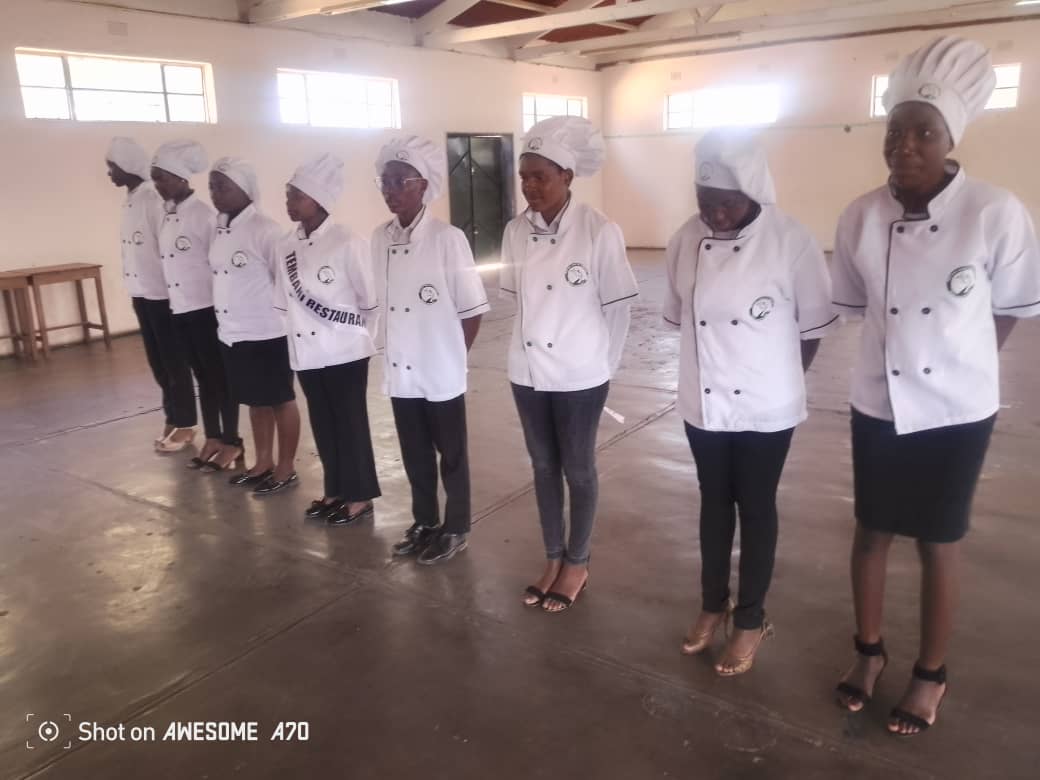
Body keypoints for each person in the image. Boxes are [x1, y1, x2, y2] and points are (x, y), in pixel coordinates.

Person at [831, 36, 1040, 735]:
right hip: (877, 401)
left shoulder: (994, 211)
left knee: (939, 540)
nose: (906, 146)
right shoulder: (861, 216)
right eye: (896, 131)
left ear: (951, 139)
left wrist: (963, 360)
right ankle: (868, 652)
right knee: (872, 532)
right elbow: (854, 304)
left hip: (958, 409)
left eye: (924, 132)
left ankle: (930, 672)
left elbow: (1012, 306)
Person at [664, 131, 838, 675]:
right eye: (704, 200)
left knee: (757, 506)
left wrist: (779, 380)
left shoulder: (791, 240)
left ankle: (751, 618)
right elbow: (677, 315)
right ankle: (712, 604)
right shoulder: (684, 239)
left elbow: (812, 327)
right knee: (713, 503)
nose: (714, 213)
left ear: (753, 193)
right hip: (704, 400)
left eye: (727, 203)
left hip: (767, 405)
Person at [500, 117, 638, 612]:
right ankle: (552, 557)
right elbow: (517, 299)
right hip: (527, 371)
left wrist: (602, 369)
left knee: (578, 470)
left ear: (567, 176)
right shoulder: (515, 231)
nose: (530, 187)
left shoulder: (599, 230)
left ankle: (577, 562)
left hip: (581, 375)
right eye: (524, 177)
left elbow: (618, 310)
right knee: (542, 467)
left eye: (540, 176)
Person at [371, 136, 489, 565]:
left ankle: (455, 527)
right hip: (401, 368)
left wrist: (452, 358)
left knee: (451, 455)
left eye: (400, 181)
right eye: (385, 182)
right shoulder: (379, 238)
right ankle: (424, 521)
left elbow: (472, 310)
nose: (390, 190)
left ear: (423, 185)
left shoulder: (447, 238)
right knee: (415, 454)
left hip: (440, 370)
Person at [275, 153, 381, 520]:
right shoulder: (285, 245)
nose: (288, 202)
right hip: (306, 352)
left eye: (296, 195)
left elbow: (370, 301)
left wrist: (358, 341)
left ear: (318, 199)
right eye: (287, 195)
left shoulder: (347, 240)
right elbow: (284, 303)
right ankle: (334, 490)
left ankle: (360, 496)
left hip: (345, 351)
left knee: (350, 423)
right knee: (322, 422)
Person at [208, 157, 302, 493]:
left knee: (280, 399)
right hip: (233, 333)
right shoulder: (220, 229)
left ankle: (286, 466)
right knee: (254, 401)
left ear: (245, 189)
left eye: (222, 186)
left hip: (268, 333)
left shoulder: (266, 230)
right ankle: (262, 463)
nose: (215, 193)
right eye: (212, 187)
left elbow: (285, 282)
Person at [151, 140, 241, 470]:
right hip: (181, 310)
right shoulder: (168, 215)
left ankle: (232, 440)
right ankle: (212, 437)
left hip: (207, 310)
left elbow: (219, 265)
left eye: (162, 178)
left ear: (180, 178)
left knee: (220, 378)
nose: (157, 185)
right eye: (154, 178)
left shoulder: (203, 216)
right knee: (202, 378)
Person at [105, 137, 195, 449]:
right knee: (158, 362)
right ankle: (172, 415)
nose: (109, 173)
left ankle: (186, 422)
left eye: (112, 166)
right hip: (141, 292)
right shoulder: (131, 198)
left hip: (162, 294)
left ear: (127, 165)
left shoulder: (152, 199)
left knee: (174, 362)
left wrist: (173, 293)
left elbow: (167, 248)